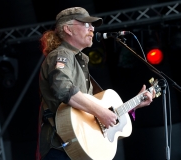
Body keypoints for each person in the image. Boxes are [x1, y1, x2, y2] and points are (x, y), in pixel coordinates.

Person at [36, 7, 155, 160]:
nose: (92, 28)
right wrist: (101, 112)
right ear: (68, 29)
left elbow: (91, 114)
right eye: (86, 24)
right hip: (61, 147)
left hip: (76, 147)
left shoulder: (79, 61)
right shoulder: (61, 54)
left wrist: (135, 104)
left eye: (92, 25)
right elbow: (64, 90)